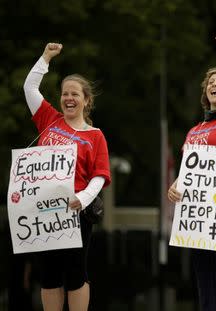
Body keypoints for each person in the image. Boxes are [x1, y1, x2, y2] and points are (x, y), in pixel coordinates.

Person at [23, 43, 111, 311]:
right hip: (45, 213)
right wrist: (45, 58)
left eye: (75, 94)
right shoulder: (49, 119)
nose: (69, 98)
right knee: (49, 274)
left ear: (86, 100)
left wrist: (83, 198)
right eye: (64, 94)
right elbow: (29, 88)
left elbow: (100, 175)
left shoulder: (95, 136)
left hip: (76, 213)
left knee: (75, 273)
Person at [167, 20, 216, 311]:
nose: (215, 84)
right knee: (203, 274)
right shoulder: (194, 130)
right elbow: (188, 171)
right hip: (198, 212)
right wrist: (175, 187)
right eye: (211, 82)